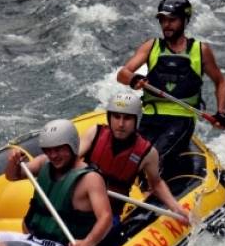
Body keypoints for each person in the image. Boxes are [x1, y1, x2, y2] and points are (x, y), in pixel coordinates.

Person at [0, 119, 112, 246]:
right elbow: (12, 176)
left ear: (72, 146)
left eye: (59, 149)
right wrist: (13, 162)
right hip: (35, 238)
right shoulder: (43, 162)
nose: (53, 155)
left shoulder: (90, 178)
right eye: (49, 150)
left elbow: (105, 217)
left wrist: (87, 243)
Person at [116, 0, 225, 173]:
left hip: (181, 118)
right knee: (131, 158)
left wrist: (221, 112)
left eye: (172, 20)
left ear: (185, 20)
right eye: (162, 20)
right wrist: (134, 79)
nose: (166, 25)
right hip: (150, 116)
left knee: (153, 158)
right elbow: (122, 74)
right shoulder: (151, 46)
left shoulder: (200, 50)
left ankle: (151, 193)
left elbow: (220, 82)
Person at [81, 91, 191, 224]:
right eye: (116, 117)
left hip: (108, 215)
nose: (121, 124)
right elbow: (69, 161)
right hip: (78, 205)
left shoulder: (148, 153)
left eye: (127, 118)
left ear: (136, 120)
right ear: (109, 117)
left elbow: (156, 184)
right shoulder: (95, 133)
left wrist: (177, 209)